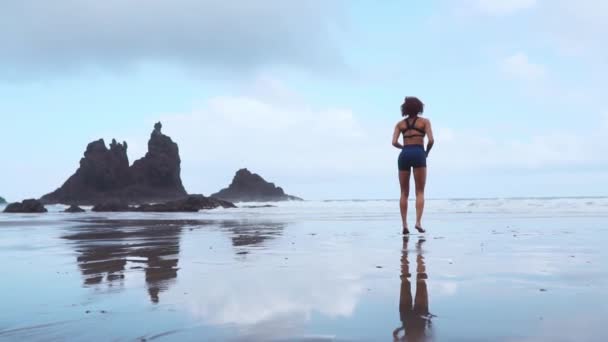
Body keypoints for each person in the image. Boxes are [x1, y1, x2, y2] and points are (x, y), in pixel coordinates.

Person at [392, 96, 434, 235]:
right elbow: (431, 140)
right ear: (419, 108)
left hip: (404, 154)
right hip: (418, 153)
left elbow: (394, 142)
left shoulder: (400, 124)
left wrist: (404, 148)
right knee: (420, 192)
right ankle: (418, 222)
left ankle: (404, 224)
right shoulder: (425, 122)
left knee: (404, 192)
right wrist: (426, 152)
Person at [392, 236, 432, 341]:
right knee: (410, 280)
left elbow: (395, 336)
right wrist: (402, 328)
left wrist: (428, 322)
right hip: (409, 318)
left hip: (414, 317)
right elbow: (395, 335)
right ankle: (415, 251)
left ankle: (412, 251)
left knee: (417, 280)